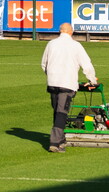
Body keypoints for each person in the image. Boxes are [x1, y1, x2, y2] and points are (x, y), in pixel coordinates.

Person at [41, 22, 99, 153]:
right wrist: (92, 80)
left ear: (60, 31)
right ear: (71, 32)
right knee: (62, 113)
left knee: (57, 111)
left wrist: (50, 75)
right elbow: (87, 65)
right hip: (67, 84)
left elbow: (44, 64)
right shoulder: (75, 45)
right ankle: (55, 143)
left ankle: (61, 140)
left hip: (52, 83)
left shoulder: (51, 44)